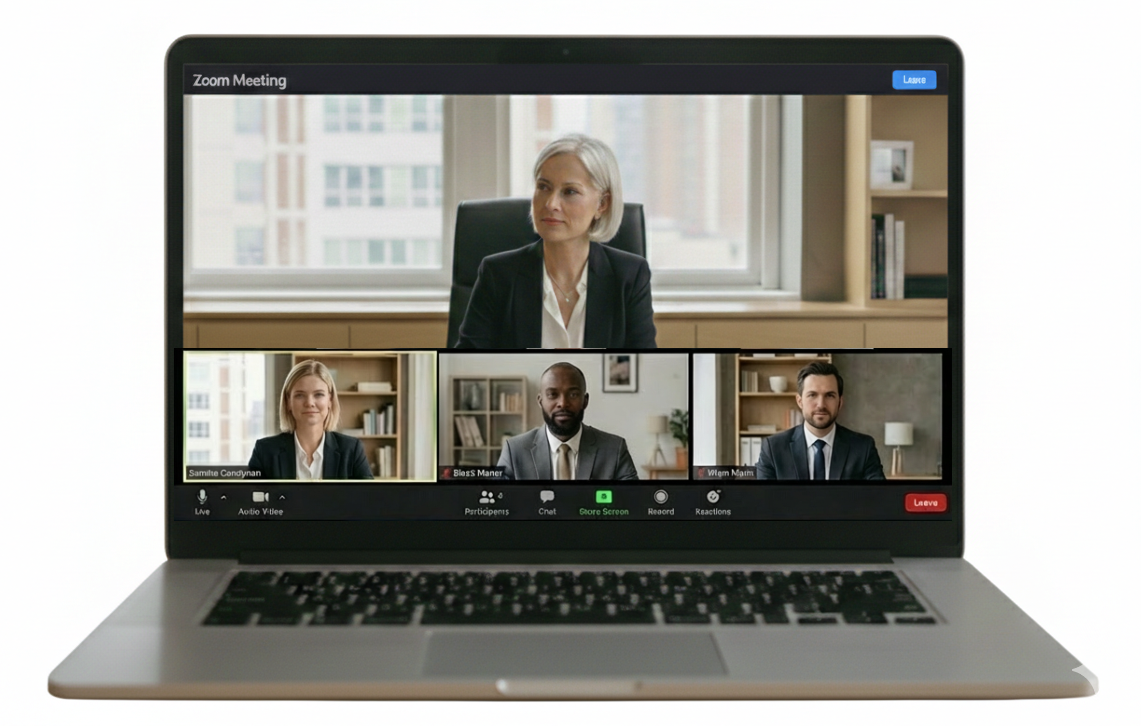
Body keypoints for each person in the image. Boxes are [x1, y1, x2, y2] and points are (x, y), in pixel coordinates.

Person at [455, 133, 657, 349]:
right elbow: (468, 365)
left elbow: (640, 368)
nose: (551, 203)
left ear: (602, 204)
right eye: (543, 187)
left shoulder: (629, 276)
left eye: (570, 192)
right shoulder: (498, 275)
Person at [498, 362, 638, 480]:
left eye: (573, 394)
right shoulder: (514, 450)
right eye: (553, 394)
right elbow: (499, 506)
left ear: (585, 401)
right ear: (540, 401)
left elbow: (632, 504)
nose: (563, 403)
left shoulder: (615, 449)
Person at [755, 362, 885, 481]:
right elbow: (764, 502)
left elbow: (878, 499)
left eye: (829, 395)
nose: (821, 404)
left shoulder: (863, 448)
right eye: (812, 395)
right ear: (800, 401)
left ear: (840, 402)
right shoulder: (773, 448)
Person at [248, 360, 373, 480]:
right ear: (288, 402)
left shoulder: (351, 450)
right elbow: (248, 498)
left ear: (330, 400)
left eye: (318, 394)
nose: (309, 403)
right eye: (300, 395)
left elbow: (370, 499)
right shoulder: (264, 451)